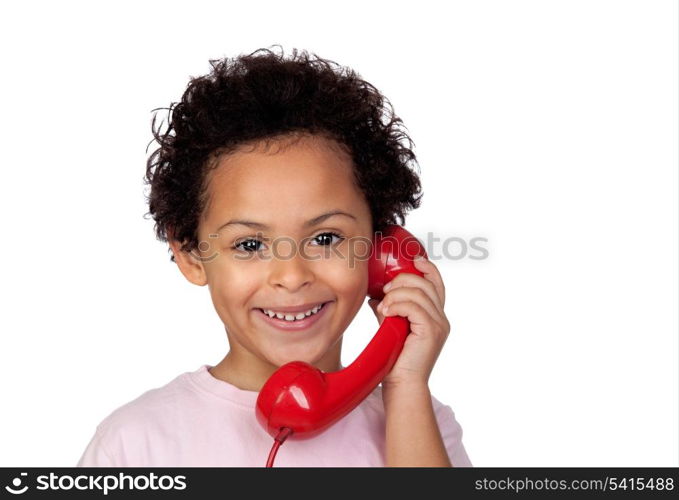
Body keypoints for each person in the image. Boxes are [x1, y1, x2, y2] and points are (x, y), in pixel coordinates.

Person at [77, 45, 472, 467]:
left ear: (378, 250)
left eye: (325, 238)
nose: (291, 276)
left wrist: (406, 386)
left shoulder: (419, 425)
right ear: (192, 255)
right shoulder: (134, 444)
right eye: (250, 245)